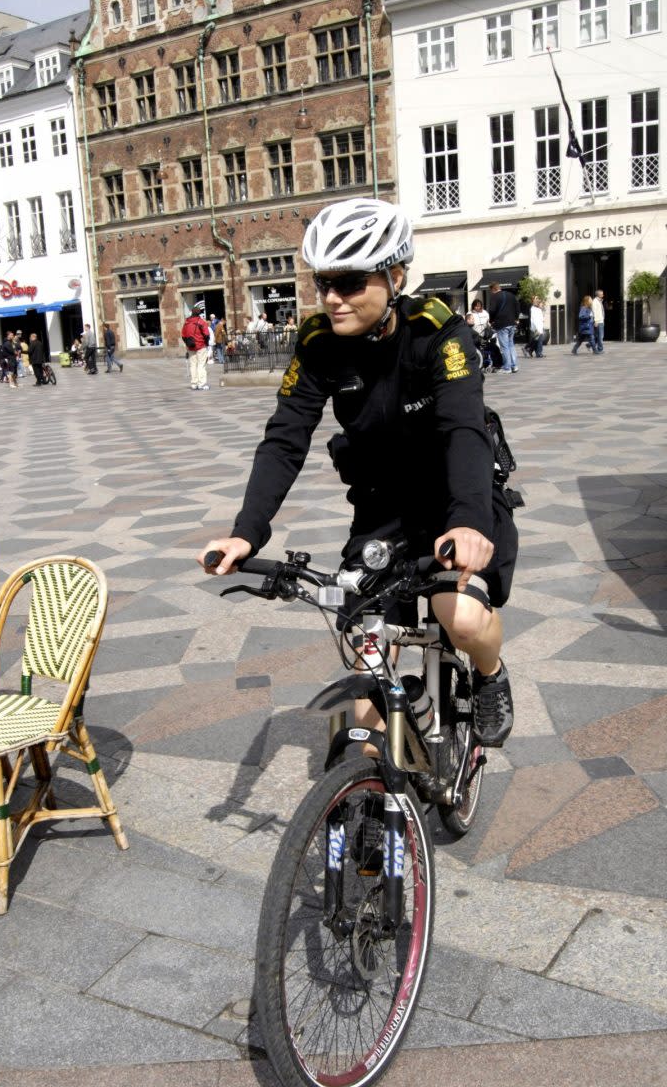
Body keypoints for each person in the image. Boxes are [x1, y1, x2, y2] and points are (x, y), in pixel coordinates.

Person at [198, 197, 518, 749]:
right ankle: (372, 796)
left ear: (395, 276)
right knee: (367, 673)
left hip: (453, 501)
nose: (331, 298)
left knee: (459, 617)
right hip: (382, 511)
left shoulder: (437, 333)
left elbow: (464, 429)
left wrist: (468, 522)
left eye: (348, 283)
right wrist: (247, 531)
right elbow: (286, 436)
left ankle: (490, 675)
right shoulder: (319, 342)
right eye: (323, 283)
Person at [488, 282, 520, 373]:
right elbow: (517, 307)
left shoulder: (494, 297)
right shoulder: (511, 295)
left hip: (502, 324)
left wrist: (491, 320)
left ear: (493, 289)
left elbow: (492, 310)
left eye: (491, 291)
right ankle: (514, 366)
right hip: (512, 323)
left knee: (504, 346)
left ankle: (507, 367)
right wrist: (516, 318)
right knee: (511, 345)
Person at [181, 301, 210, 390]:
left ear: (191, 313)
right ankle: (202, 383)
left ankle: (194, 383)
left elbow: (183, 335)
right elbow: (206, 334)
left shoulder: (186, 322)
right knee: (201, 365)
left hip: (190, 346)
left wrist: (187, 344)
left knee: (193, 365)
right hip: (201, 345)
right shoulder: (201, 322)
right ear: (199, 313)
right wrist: (206, 343)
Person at [592, 289, 605, 354]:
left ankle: (589, 345)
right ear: (598, 294)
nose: (603, 295)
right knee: (600, 336)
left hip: (601, 320)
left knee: (598, 336)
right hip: (598, 321)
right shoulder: (595, 302)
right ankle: (600, 349)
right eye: (602, 294)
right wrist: (596, 321)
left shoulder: (599, 301)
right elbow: (594, 312)